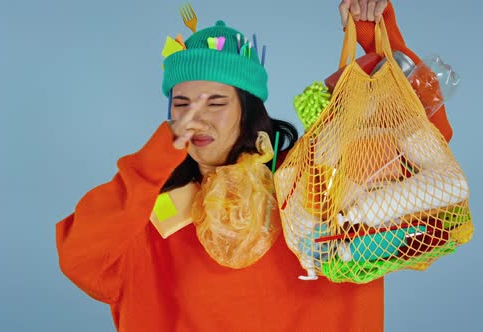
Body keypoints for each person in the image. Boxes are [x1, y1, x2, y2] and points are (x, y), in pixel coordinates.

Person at [56, 1, 453, 331]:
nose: (197, 119)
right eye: (182, 104)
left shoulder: (315, 181)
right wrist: (154, 161)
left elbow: (420, 134)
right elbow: (81, 255)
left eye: (216, 102)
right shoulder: (153, 216)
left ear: (248, 111)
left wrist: (376, 37)